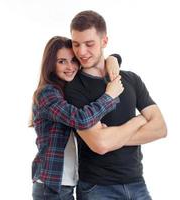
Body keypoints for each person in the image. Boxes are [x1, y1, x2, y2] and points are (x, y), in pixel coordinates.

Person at [64, 10, 168, 200]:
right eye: (76, 44)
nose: (81, 52)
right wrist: (138, 121)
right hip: (97, 188)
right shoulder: (73, 88)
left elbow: (160, 128)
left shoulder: (130, 79)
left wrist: (113, 137)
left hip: (137, 183)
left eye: (89, 44)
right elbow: (100, 144)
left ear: (104, 42)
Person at [30, 36, 147, 200]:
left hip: (67, 183)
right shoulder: (47, 94)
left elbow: (104, 58)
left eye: (73, 60)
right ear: (50, 65)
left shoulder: (66, 91)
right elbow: (81, 119)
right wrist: (111, 97)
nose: (70, 67)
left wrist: (113, 59)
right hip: (51, 185)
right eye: (62, 61)